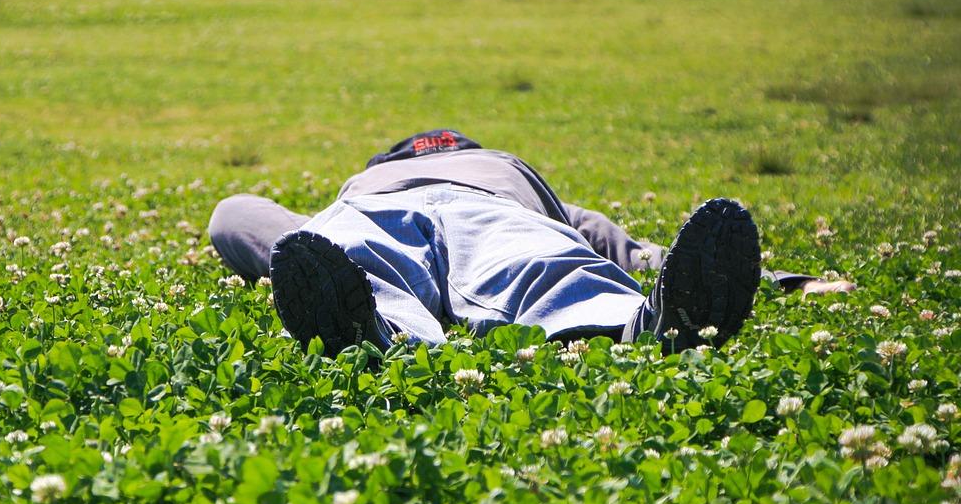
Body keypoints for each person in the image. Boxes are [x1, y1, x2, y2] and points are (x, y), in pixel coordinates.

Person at [208, 129, 851, 356]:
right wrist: (297, 243)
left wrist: (779, 280)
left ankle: (653, 323)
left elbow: (626, 248)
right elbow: (622, 246)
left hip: (474, 213)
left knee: (542, 261)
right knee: (541, 262)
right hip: (379, 213)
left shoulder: (512, 176)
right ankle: (370, 328)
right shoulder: (370, 183)